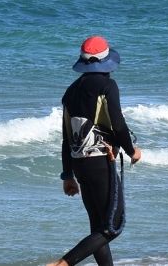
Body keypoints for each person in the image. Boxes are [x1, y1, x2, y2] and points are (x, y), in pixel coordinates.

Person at [48, 35, 142, 266]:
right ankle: (63, 263)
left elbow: (66, 137)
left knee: (97, 227)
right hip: (101, 161)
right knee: (112, 227)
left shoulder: (70, 91)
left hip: (80, 164)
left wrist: (67, 175)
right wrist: (132, 151)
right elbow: (118, 124)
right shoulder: (107, 86)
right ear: (106, 62)